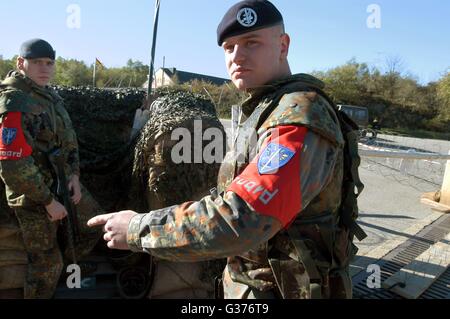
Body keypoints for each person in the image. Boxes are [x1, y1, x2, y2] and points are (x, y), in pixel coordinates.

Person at [88, 0, 366, 299]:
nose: (237, 56)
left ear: (283, 45)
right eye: (228, 47)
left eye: (252, 43)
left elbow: (243, 218)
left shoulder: (299, 115)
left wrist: (137, 229)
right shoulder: (267, 108)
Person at [0, 39, 102, 299]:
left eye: (49, 63)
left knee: (95, 223)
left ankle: (71, 266)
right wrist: (48, 201)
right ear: (21, 63)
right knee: (46, 264)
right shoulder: (14, 101)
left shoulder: (49, 95)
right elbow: (13, 164)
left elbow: (69, 140)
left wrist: (75, 176)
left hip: (63, 183)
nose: (44, 68)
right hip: (33, 196)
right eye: (36, 63)